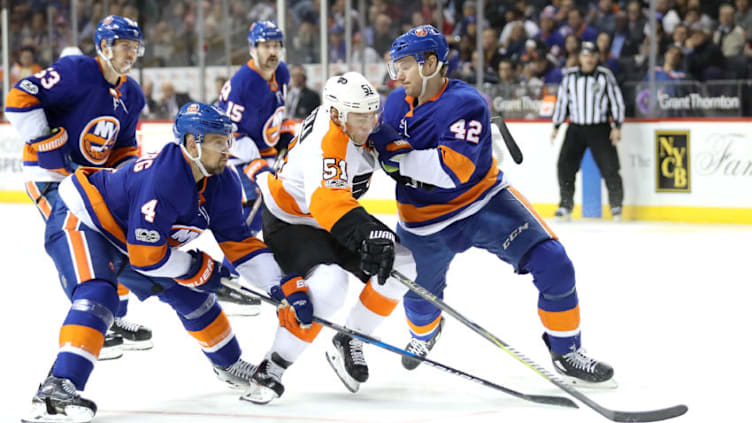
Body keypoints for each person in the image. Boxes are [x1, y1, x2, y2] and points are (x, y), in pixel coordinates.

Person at [20, 103, 290, 423]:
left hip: (131, 238)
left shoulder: (223, 181)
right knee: (99, 294)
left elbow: (239, 243)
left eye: (228, 141)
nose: (227, 150)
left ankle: (230, 365)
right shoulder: (165, 179)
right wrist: (196, 268)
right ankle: (56, 389)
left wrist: (280, 284)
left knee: (194, 297)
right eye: (219, 141)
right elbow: (147, 258)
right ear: (192, 144)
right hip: (83, 218)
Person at [377, 25, 615, 387]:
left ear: (430, 63)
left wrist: (396, 160)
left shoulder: (466, 103)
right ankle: (426, 334)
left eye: (405, 65)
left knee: (554, 263)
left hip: (483, 204)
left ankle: (567, 351)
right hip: (422, 223)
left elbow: (451, 172)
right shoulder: (394, 104)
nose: (398, 75)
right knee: (420, 304)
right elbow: (375, 151)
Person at [242, 72, 417, 404]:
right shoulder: (328, 141)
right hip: (291, 222)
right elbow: (327, 203)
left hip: (330, 216)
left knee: (403, 264)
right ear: (336, 115)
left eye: (372, 114)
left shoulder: (354, 121)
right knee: (330, 286)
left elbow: (401, 152)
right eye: (360, 117)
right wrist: (369, 233)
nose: (369, 124)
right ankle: (273, 366)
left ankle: (351, 339)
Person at [5, 15, 152, 359]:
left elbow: (125, 145)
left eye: (135, 46)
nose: (131, 54)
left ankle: (113, 319)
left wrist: (125, 178)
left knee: (115, 238)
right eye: (124, 46)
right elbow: (18, 97)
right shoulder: (76, 70)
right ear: (104, 46)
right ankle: (92, 319)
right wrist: (43, 140)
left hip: (89, 180)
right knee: (78, 244)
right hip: (49, 177)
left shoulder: (131, 93)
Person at [216, 20, 295, 235]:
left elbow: (278, 109)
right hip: (236, 154)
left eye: (276, 45)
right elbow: (228, 134)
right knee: (255, 211)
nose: (273, 51)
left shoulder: (282, 72)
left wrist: (284, 134)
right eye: (266, 46)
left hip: (264, 149)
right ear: (253, 49)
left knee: (278, 211)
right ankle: (232, 264)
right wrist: (255, 166)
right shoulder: (244, 84)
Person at [551, 41, 625, 221]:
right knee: (565, 166)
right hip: (576, 128)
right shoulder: (569, 77)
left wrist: (617, 126)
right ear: (579, 58)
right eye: (585, 55)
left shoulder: (605, 76)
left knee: (610, 167)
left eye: (592, 55)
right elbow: (562, 103)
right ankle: (565, 205)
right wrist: (556, 125)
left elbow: (616, 101)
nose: (589, 59)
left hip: (599, 128)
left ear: (597, 57)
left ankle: (616, 206)